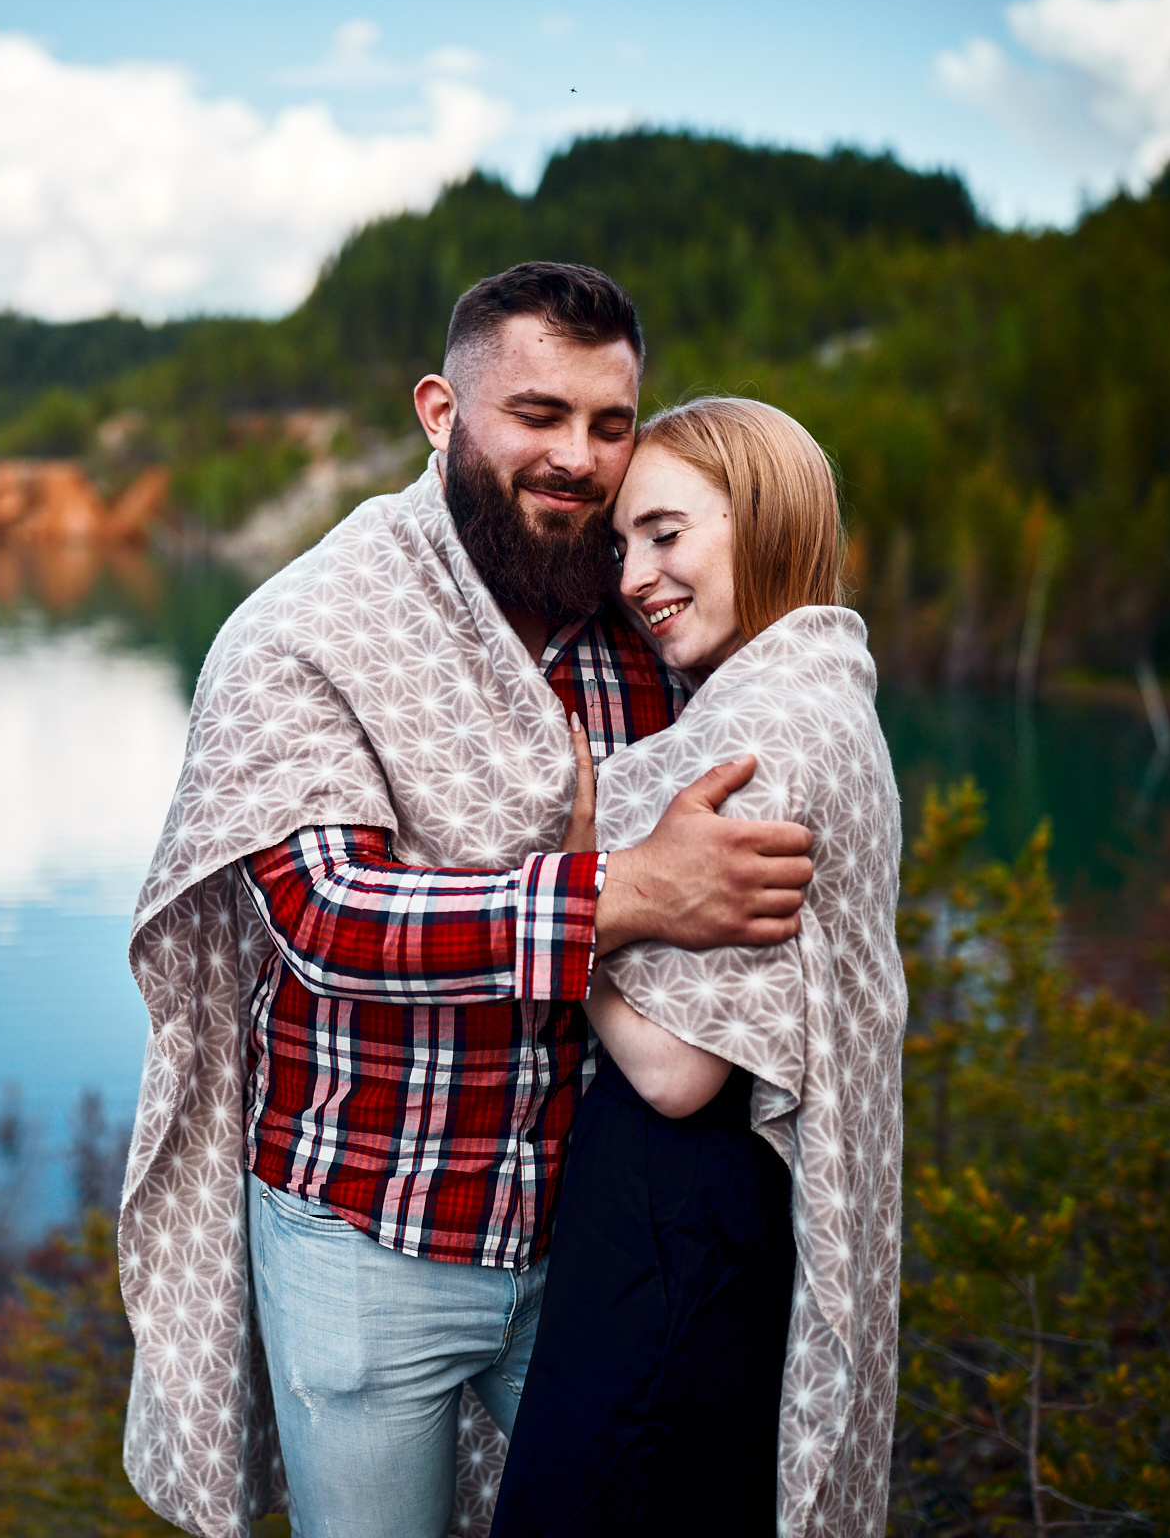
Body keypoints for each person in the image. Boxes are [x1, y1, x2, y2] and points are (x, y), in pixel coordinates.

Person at [118, 264, 817, 1538]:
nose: (579, 458)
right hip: (369, 1231)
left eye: (611, 425)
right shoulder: (312, 629)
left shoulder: (636, 613)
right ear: (442, 412)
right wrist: (625, 890)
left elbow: (765, 719)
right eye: (537, 415)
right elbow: (332, 912)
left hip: (591, 1232)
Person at [489, 397, 907, 1538]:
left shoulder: (758, 733)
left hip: (673, 1240)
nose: (635, 574)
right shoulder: (826, 697)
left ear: (764, 520)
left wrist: (579, 892)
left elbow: (678, 1074)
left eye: (667, 533)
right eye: (624, 543)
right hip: (722, 1239)